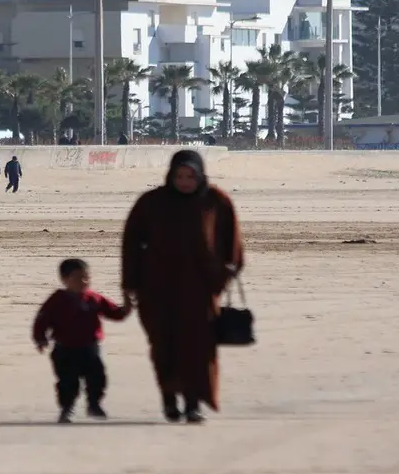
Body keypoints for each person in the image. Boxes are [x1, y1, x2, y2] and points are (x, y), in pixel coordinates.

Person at [121, 150, 244, 424]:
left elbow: (232, 242)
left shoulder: (216, 201)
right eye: (179, 176)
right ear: (170, 175)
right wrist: (130, 283)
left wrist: (223, 276)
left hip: (200, 292)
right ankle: (169, 400)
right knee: (164, 346)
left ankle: (192, 404)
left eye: (191, 176)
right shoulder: (151, 203)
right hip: (156, 290)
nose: (185, 182)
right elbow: (131, 244)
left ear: (200, 175)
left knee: (198, 348)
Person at [33, 259, 131, 424]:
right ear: (64, 279)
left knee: (97, 378)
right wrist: (40, 339)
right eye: (78, 277)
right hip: (64, 350)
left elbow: (115, 313)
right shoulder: (57, 300)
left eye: (87, 277)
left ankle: (94, 404)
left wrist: (127, 305)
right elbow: (42, 321)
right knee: (67, 382)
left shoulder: (94, 298)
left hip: (90, 348)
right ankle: (67, 409)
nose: (84, 281)